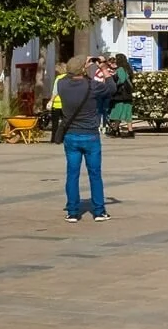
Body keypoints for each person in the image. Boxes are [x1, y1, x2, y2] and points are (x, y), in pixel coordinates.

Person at [55, 55, 116, 223]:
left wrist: (82, 63)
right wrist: (102, 67)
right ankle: (99, 211)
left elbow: (69, 75)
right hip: (90, 136)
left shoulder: (62, 85)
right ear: (83, 70)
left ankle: (73, 211)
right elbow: (112, 88)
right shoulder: (93, 86)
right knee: (95, 174)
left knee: (72, 174)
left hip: (71, 136)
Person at [47, 61, 67, 142]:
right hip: (66, 104)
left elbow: (55, 91)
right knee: (65, 123)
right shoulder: (69, 78)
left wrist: (51, 101)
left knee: (55, 123)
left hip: (57, 104)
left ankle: (54, 138)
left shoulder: (58, 78)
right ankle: (64, 138)